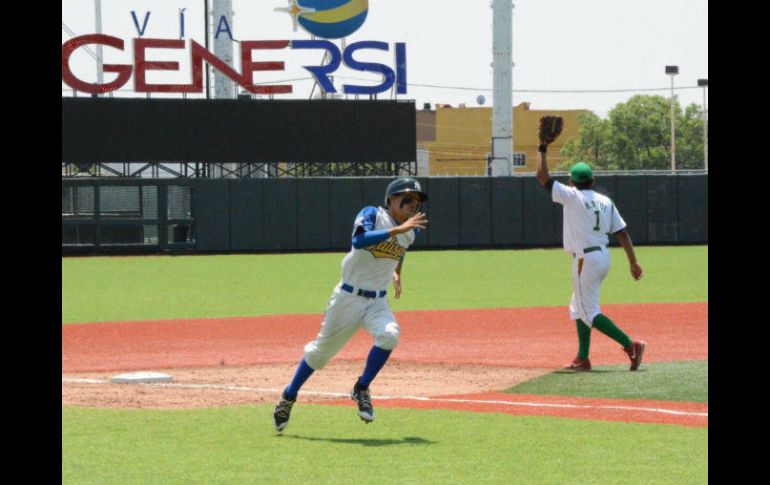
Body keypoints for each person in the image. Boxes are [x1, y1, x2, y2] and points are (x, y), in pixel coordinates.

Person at [272, 177, 429, 432]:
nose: (414, 204)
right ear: (390, 200)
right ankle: (289, 395)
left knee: (389, 335)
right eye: (408, 198)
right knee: (319, 354)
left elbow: (401, 249)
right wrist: (396, 231)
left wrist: (397, 272)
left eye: (418, 200)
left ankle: (362, 387)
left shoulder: (412, 229)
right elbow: (359, 240)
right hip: (347, 298)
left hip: (377, 301)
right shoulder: (371, 214)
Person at [536, 134, 646, 372]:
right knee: (578, 307)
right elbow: (622, 233)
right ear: (593, 181)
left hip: (585, 259)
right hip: (603, 257)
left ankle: (631, 345)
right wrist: (633, 262)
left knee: (589, 312)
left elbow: (542, 176)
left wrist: (542, 148)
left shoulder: (572, 196)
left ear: (571, 181)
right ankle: (582, 358)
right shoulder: (605, 201)